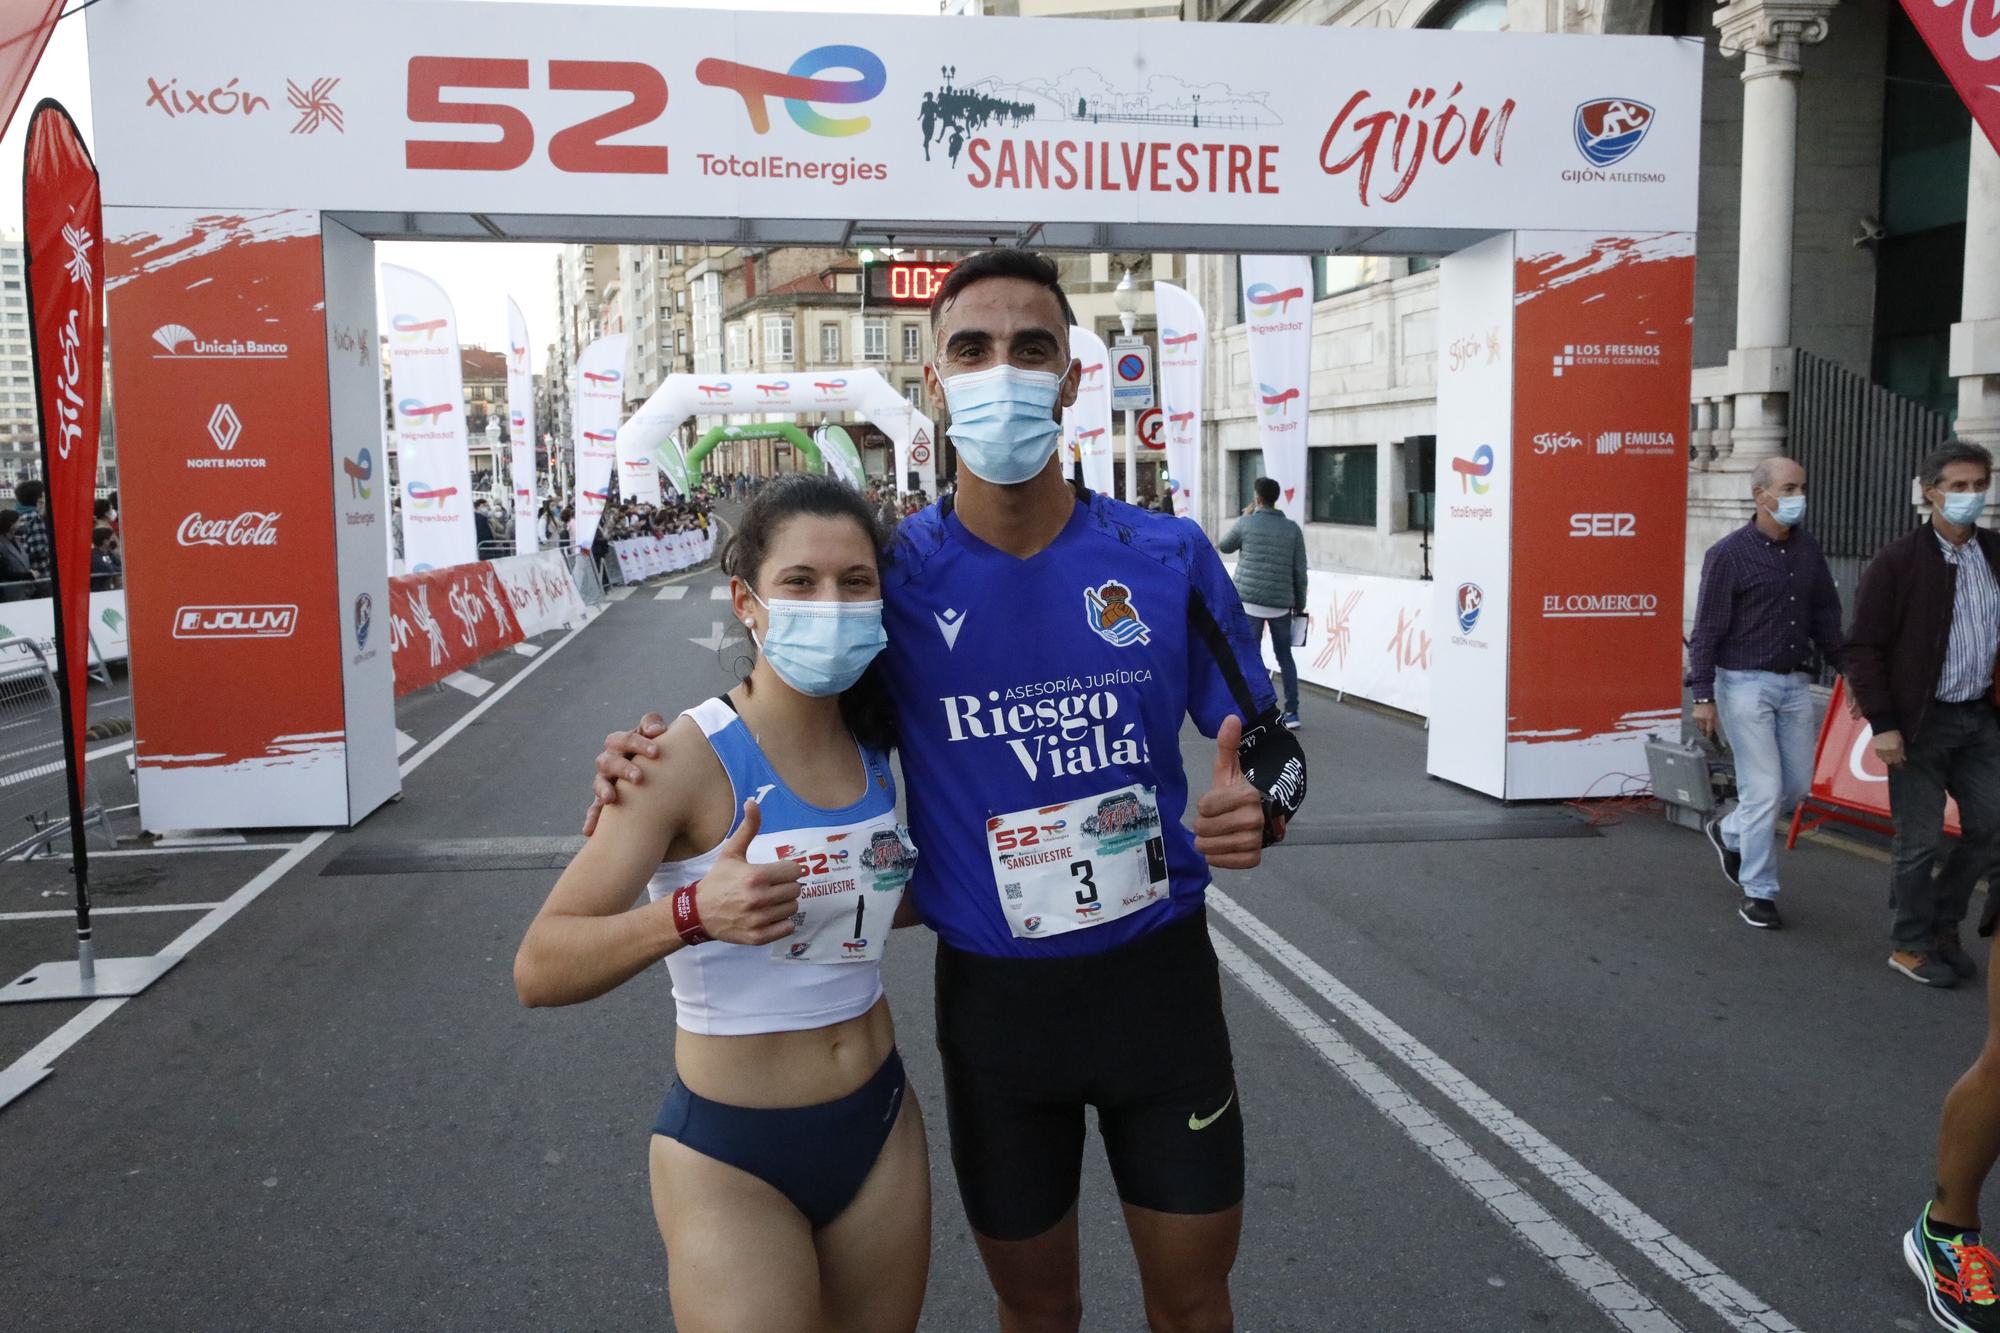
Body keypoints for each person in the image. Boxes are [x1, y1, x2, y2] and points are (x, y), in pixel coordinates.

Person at [589, 248, 1307, 1333]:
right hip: (997, 1013)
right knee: (1037, 1309)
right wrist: (646, 760)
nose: (1001, 370)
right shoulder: (895, 580)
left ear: (1070, 380)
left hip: (1161, 999)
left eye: (1032, 349)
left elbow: (1268, 738)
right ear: (935, 380)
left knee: (1195, 1299)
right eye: (971, 348)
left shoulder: (1163, 555)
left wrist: (1265, 804)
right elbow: (781, 702)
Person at [516, 474, 931, 1331]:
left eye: (856, 583)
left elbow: (889, 898)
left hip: (881, 1126)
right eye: (801, 583)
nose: (833, 602)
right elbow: (540, 963)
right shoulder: (680, 757)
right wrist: (692, 912)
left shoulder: (883, 747)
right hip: (734, 1155)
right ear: (747, 602)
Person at [1847, 439, 2000, 990]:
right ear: (1930, 491)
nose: (1971, 496)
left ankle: (1942, 924)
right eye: (1959, 486)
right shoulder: (1897, 562)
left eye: (1980, 485)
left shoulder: (1995, 553)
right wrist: (1883, 724)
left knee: (1991, 825)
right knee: (1920, 839)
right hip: (1919, 723)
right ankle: (1909, 944)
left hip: (1980, 718)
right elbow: (1862, 647)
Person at [1685, 457, 1843, 929]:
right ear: (1761, 496)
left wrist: (1848, 670)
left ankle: (1728, 830)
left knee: (1793, 789)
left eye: (1802, 486)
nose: (1799, 496)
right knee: (1763, 789)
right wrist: (1703, 695)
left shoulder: (1808, 551)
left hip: (1796, 683)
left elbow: (1826, 618)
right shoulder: (1728, 554)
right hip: (1744, 685)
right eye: (1789, 487)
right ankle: (1759, 891)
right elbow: (1708, 630)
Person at [1218, 477, 1308, 731]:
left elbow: (1224, 546)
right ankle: (1292, 711)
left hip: (1249, 603)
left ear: (1257, 497)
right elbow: (1299, 571)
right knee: (1285, 657)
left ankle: (1255, 709)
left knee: (1250, 656)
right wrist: (1299, 604)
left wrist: (1247, 515)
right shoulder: (1292, 529)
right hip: (1281, 604)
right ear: (1276, 498)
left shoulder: (1247, 523)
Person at [13, 480, 50, 580]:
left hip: (23, 572)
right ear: (38, 498)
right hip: (40, 574)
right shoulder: (35, 519)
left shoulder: (16, 517)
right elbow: (39, 551)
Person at [0, 510, 38, 601]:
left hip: (26, 589)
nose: (22, 524)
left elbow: (21, 558)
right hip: (12, 592)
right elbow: (4, 573)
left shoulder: (16, 540)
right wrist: (28, 575)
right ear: (11, 525)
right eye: (19, 521)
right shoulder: (1, 545)